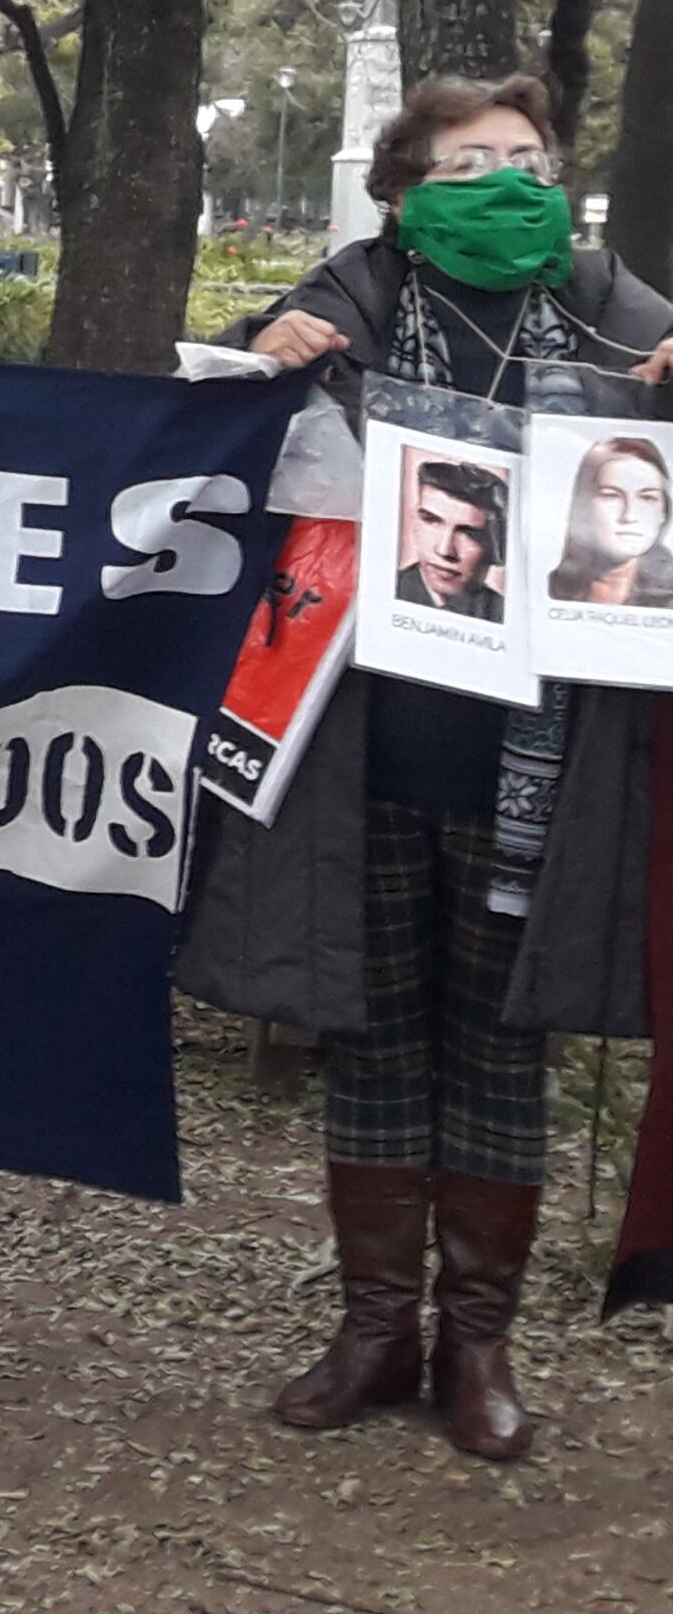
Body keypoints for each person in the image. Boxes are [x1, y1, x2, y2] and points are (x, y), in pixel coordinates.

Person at [186, 72, 673, 1459]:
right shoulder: (352, 291)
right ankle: (374, 1333)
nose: (504, 182)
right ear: (402, 195)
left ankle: (478, 1346)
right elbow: (224, 415)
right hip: (371, 746)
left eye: (526, 158)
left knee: (502, 1046)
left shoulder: (619, 310)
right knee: (376, 1035)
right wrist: (261, 344)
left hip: (542, 757)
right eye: (468, 165)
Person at [549, 435, 673, 610]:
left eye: (647, 498)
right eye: (611, 496)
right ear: (584, 506)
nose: (629, 515)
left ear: (663, 512)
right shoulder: (548, 588)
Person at [392, 459, 506, 619]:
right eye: (431, 520)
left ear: (496, 545)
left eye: (468, 533)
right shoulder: (384, 589)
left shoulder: (505, 612)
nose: (444, 550)